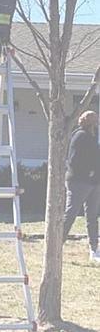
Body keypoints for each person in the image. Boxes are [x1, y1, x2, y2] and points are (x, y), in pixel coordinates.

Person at [62, 111, 100, 264]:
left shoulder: (92, 137)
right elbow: (73, 161)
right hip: (79, 182)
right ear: (88, 122)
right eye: (94, 120)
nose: (96, 123)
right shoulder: (79, 136)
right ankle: (58, 244)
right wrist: (89, 172)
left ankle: (94, 249)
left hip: (94, 183)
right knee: (71, 213)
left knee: (92, 217)